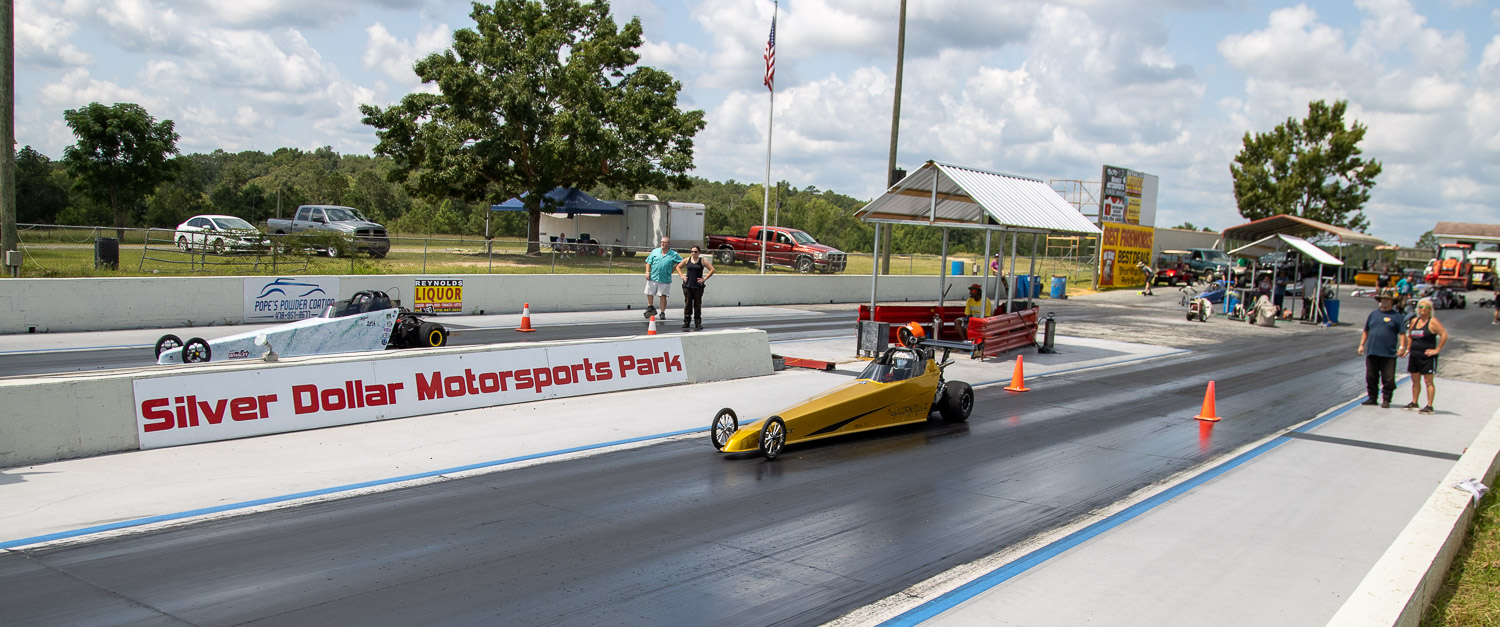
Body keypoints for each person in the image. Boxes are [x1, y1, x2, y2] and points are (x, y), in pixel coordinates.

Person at [1358, 288, 1409, 408]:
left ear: (1392, 302)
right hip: (1373, 351)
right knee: (1371, 376)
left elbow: (1402, 333)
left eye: (1387, 299)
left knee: (1389, 378)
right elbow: (1366, 330)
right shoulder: (1373, 314)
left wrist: (1402, 347)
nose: (1384, 301)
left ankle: (1387, 399)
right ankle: (1372, 398)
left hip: (1388, 353)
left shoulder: (1396, 316)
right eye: (1383, 299)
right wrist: (1361, 344)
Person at [1404, 299, 1448, 414]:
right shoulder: (1414, 321)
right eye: (1421, 307)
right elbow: (1410, 336)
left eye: (1426, 307)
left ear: (1430, 309)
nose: (1423, 309)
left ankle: (1429, 405)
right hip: (1414, 355)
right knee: (1415, 381)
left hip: (1427, 357)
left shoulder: (1433, 322)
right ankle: (1414, 402)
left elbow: (1444, 334)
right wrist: (1408, 349)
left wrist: (1437, 350)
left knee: (1428, 382)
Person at [675, 245, 714, 331]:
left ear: (699, 253)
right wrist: (682, 276)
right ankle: (686, 321)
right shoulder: (687, 260)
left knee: (697, 304)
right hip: (688, 285)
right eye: (692, 251)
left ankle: (698, 322)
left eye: (695, 252)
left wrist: (704, 278)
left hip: (698, 286)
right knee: (688, 304)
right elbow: (678, 267)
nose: (693, 253)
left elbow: (712, 269)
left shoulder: (702, 261)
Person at [643, 236, 681, 320]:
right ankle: (650, 307)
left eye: (664, 242)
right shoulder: (655, 252)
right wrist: (647, 272)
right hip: (653, 276)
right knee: (649, 292)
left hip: (665, 278)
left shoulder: (673, 254)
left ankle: (662, 312)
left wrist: (674, 269)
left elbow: (681, 262)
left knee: (663, 296)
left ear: (668, 244)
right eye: (661, 242)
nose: (662, 244)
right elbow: (648, 262)